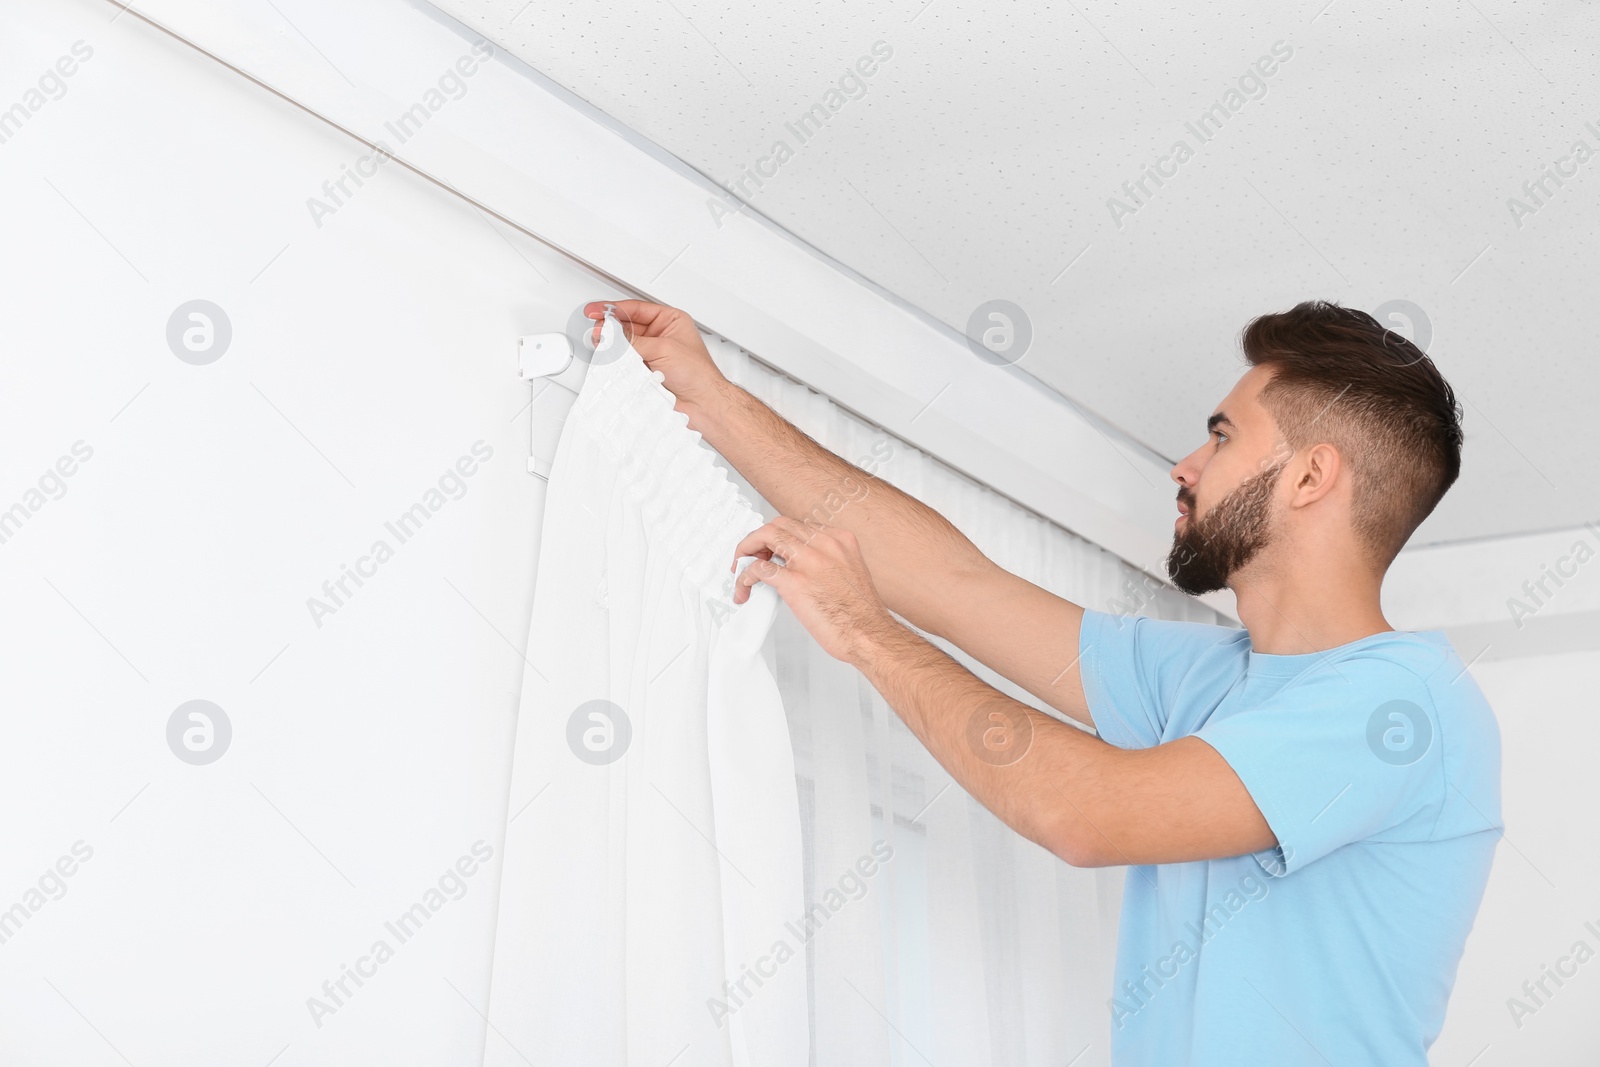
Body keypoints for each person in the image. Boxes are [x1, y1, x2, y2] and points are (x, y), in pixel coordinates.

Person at [581, 298, 1502, 1065]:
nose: (1184, 464)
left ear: (1309, 477)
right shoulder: (1206, 680)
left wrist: (864, 633)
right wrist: (704, 398)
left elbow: (1087, 814)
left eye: (1221, 435)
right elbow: (956, 584)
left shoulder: (1401, 704)